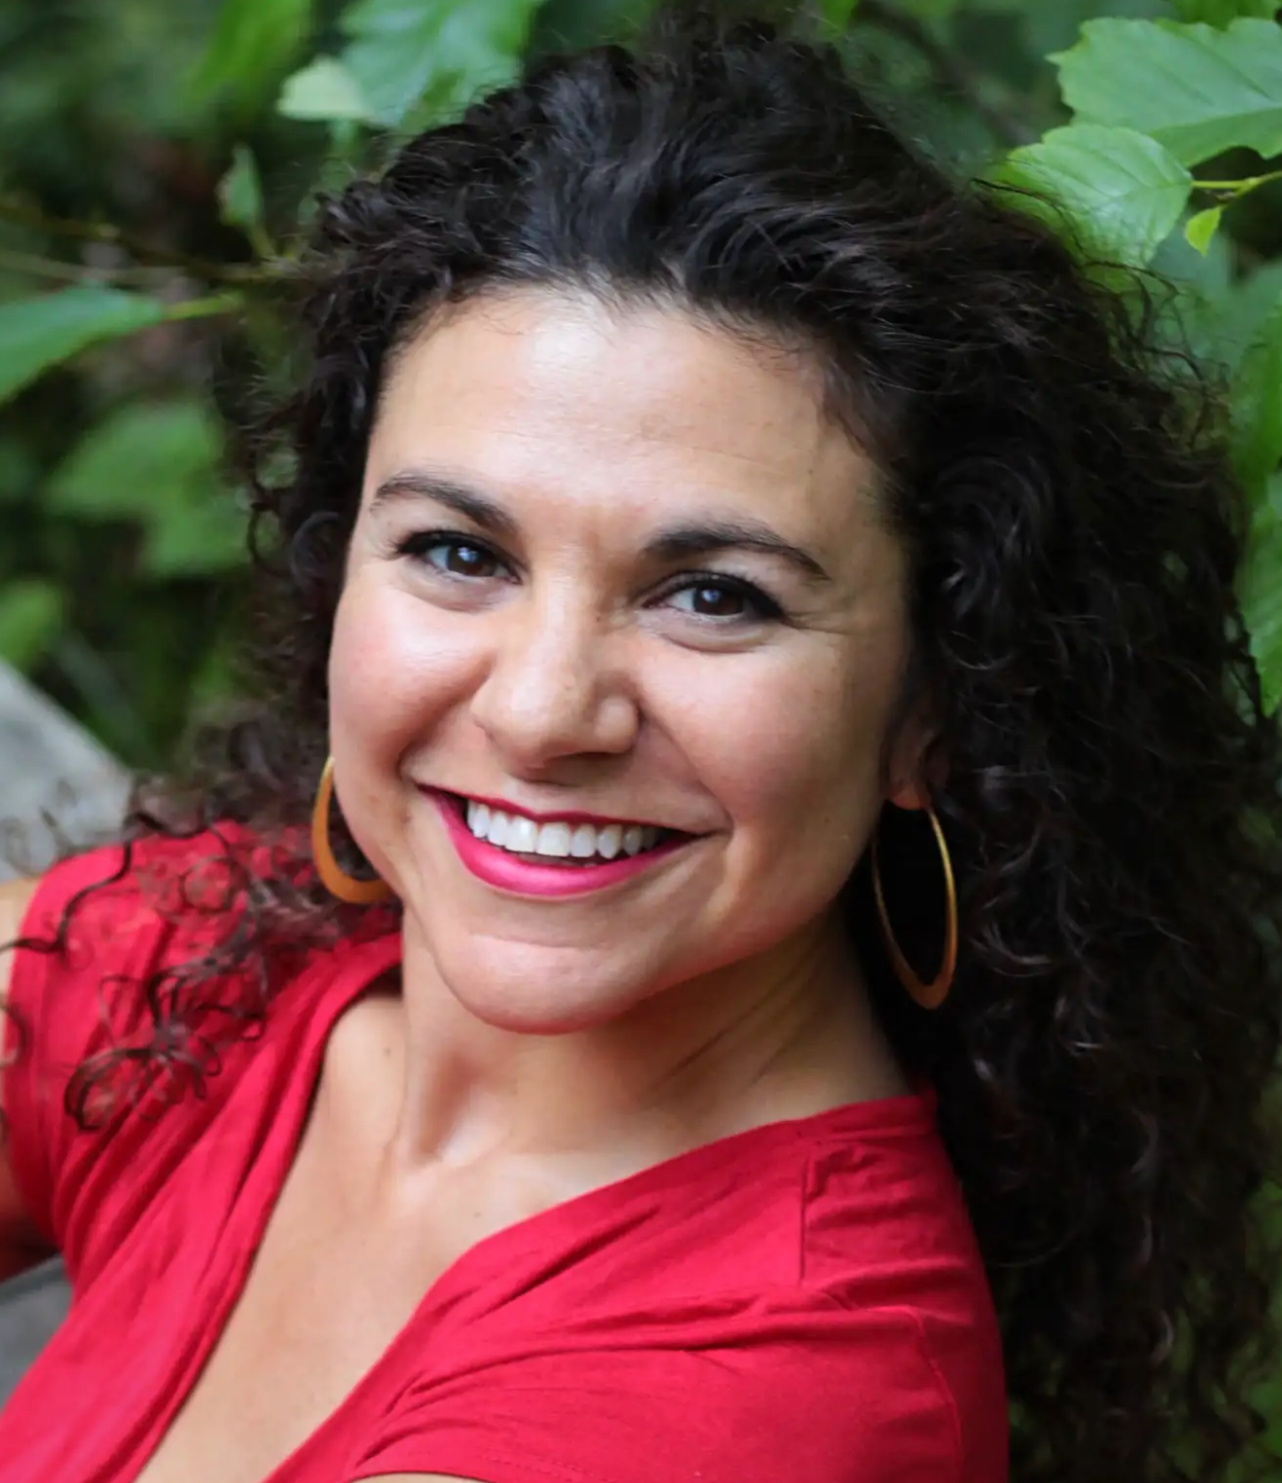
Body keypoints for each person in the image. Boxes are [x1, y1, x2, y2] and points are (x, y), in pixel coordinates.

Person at [2, 6, 1280, 1482]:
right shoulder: (226, 981)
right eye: (459, 551)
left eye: (711, 595)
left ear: (937, 706)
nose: (544, 712)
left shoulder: (767, 1388)